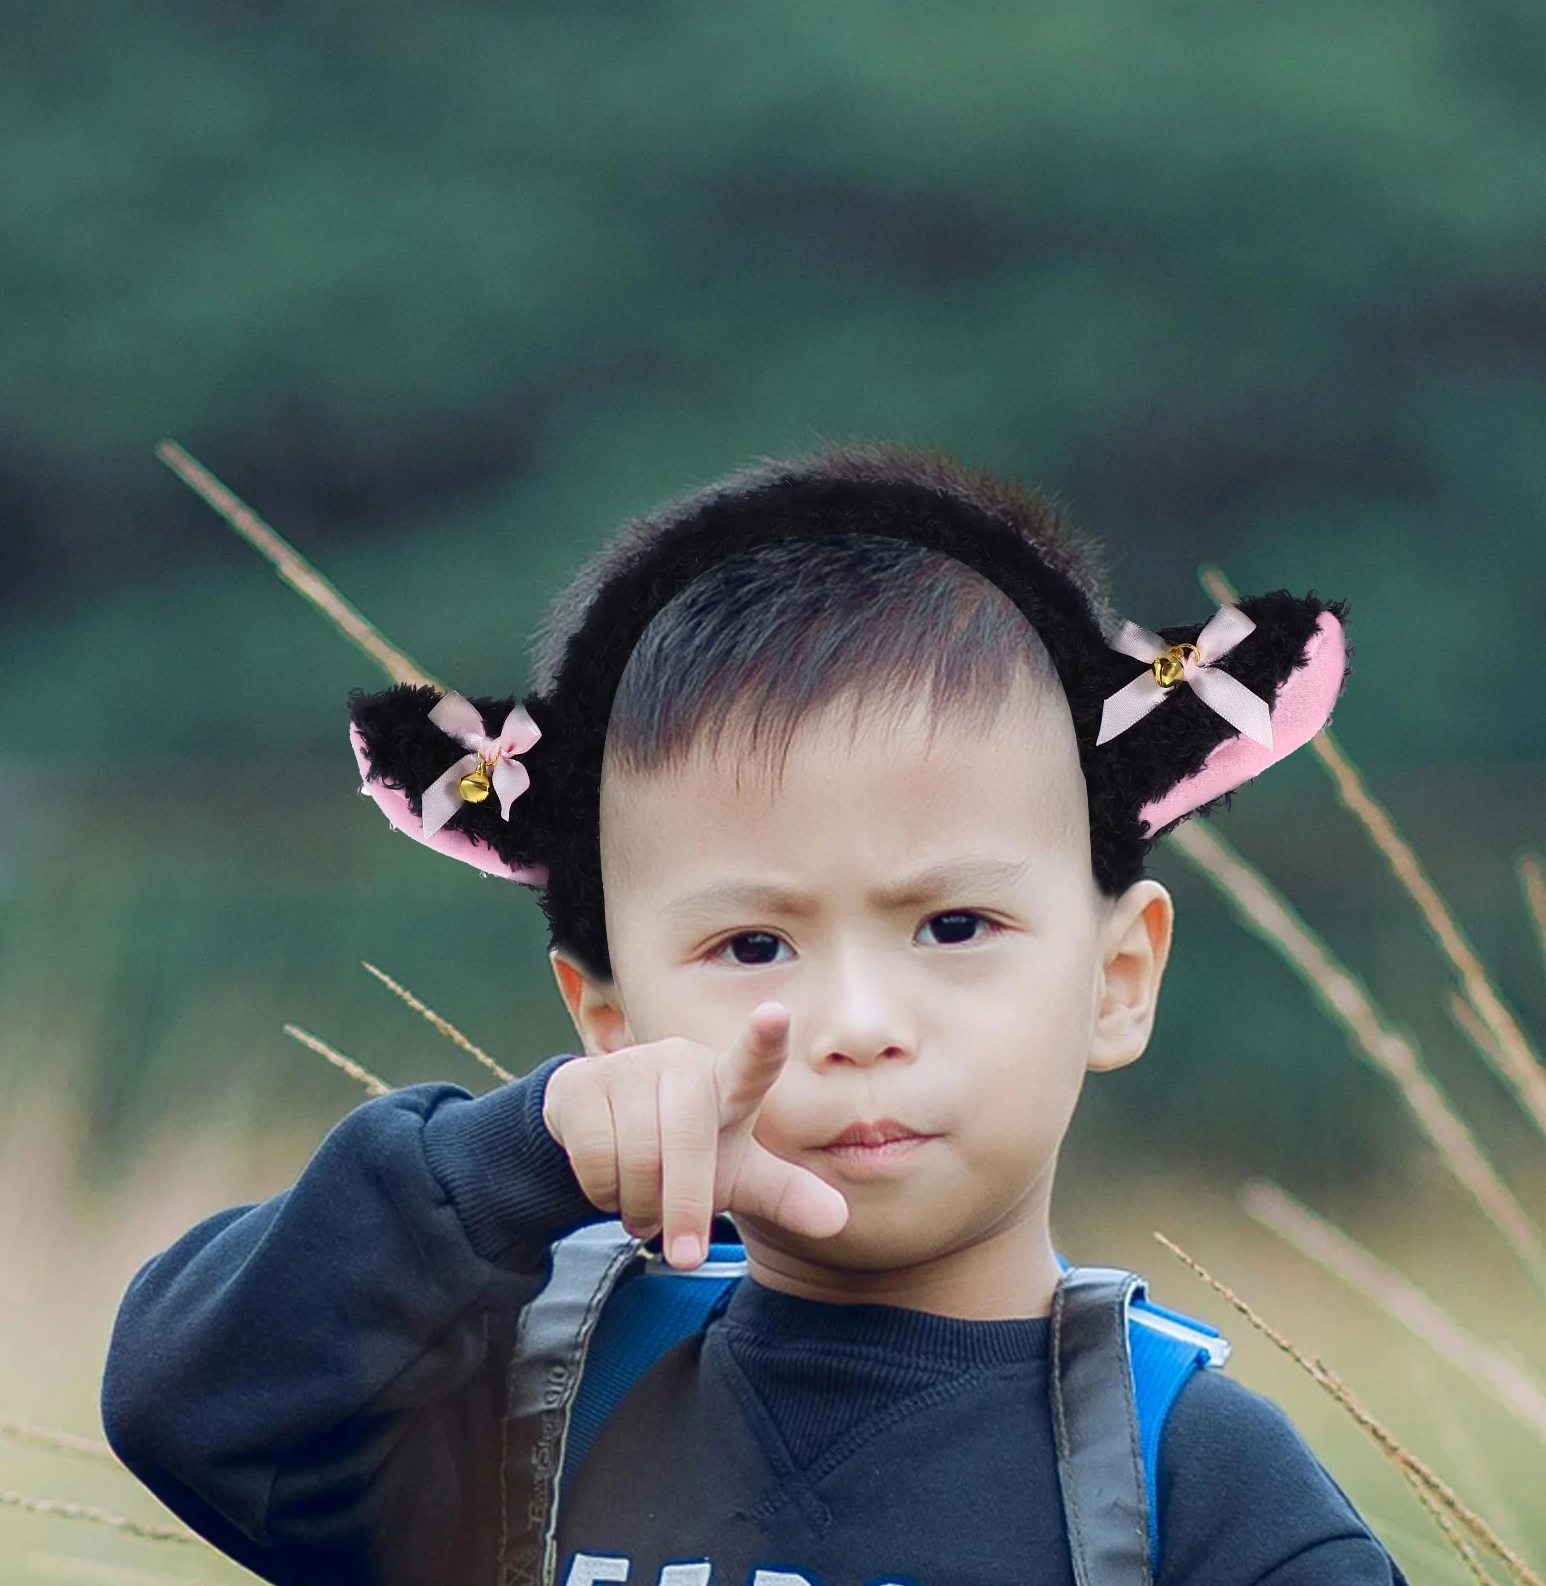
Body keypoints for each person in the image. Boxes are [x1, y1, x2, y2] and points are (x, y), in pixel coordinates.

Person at [102, 447, 1407, 1585]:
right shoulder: (527, 1399)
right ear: (611, 1021)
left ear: (1117, 978)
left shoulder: (1193, 1486)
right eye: (753, 945)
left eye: (955, 926)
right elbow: (188, 1406)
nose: (856, 1023)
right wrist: (517, 1157)